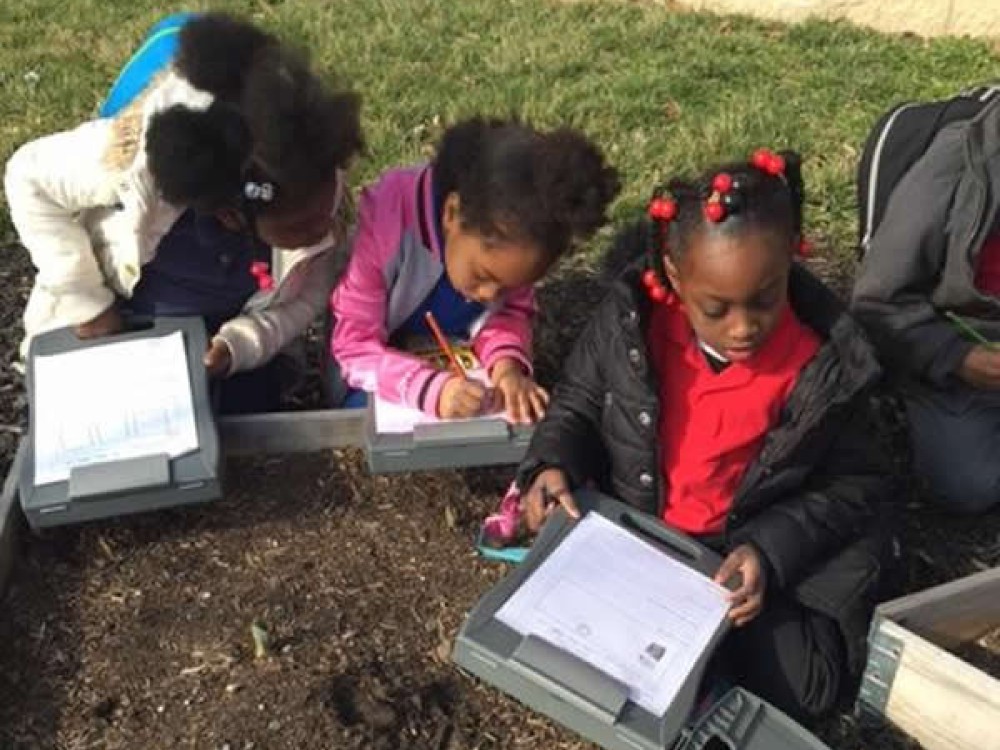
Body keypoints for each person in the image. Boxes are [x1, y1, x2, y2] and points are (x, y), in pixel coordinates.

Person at [513, 150, 890, 721]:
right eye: (715, 308)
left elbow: (856, 481)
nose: (743, 327)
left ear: (793, 257)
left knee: (811, 689)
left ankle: (709, 653)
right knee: (560, 646)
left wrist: (768, 550)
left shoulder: (826, 365)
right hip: (641, 536)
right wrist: (552, 465)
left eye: (766, 298)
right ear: (673, 275)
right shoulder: (631, 325)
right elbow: (579, 404)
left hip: (737, 555)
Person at [4, 13, 363, 414]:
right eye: (303, 226)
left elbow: (303, 302)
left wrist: (238, 345)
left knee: (240, 442)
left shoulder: (309, 171)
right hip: (121, 329)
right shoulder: (132, 165)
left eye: (329, 205)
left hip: (223, 345)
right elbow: (26, 175)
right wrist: (87, 302)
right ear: (231, 215)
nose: (325, 229)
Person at [327, 117, 620, 423]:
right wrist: (431, 390)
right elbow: (354, 347)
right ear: (451, 214)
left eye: (507, 287)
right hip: (377, 376)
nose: (489, 295)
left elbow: (511, 313)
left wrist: (506, 367)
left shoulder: (520, 237)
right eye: (484, 276)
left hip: (461, 369)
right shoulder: (386, 225)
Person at [852, 97, 1000, 514]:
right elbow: (877, 304)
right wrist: (959, 357)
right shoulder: (960, 160)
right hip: (966, 363)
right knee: (968, 481)